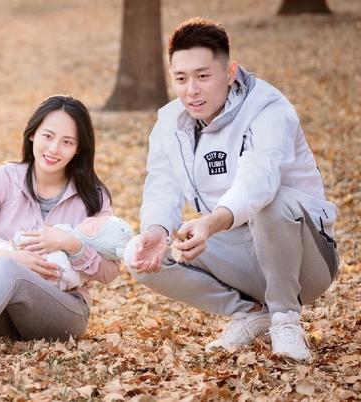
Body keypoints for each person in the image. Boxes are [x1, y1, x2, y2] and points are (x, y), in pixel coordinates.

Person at [124, 17, 338, 362]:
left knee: (272, 200)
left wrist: (209, 223)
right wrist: (157, 229)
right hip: (241, 253)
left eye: (203, 76)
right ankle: (252, 313)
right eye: (181, 78)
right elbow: (161, 185)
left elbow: (259, 179)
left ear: (230, 72)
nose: (191, 90)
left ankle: (285, 317)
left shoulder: (268, 109)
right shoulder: (169, 123)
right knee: (138, 253)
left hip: (306, 261)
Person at [0, 95, 119, 359]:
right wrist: (12, 257)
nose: (54, 148)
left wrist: (71, 245)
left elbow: (110, 272)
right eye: (48, 136)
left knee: (9, 269)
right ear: (32, 135)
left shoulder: (93, 196)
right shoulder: (2, 179)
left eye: (67, 142)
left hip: (63, 314)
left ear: (78, 149)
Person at [0, 214, 134, 291]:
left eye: (94, 226)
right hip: (8, 256)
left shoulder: (93, 194)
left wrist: (75, 246)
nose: (89, 219)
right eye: (94, 219)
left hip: (55, 298)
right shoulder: (6, 177)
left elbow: (110, 272)